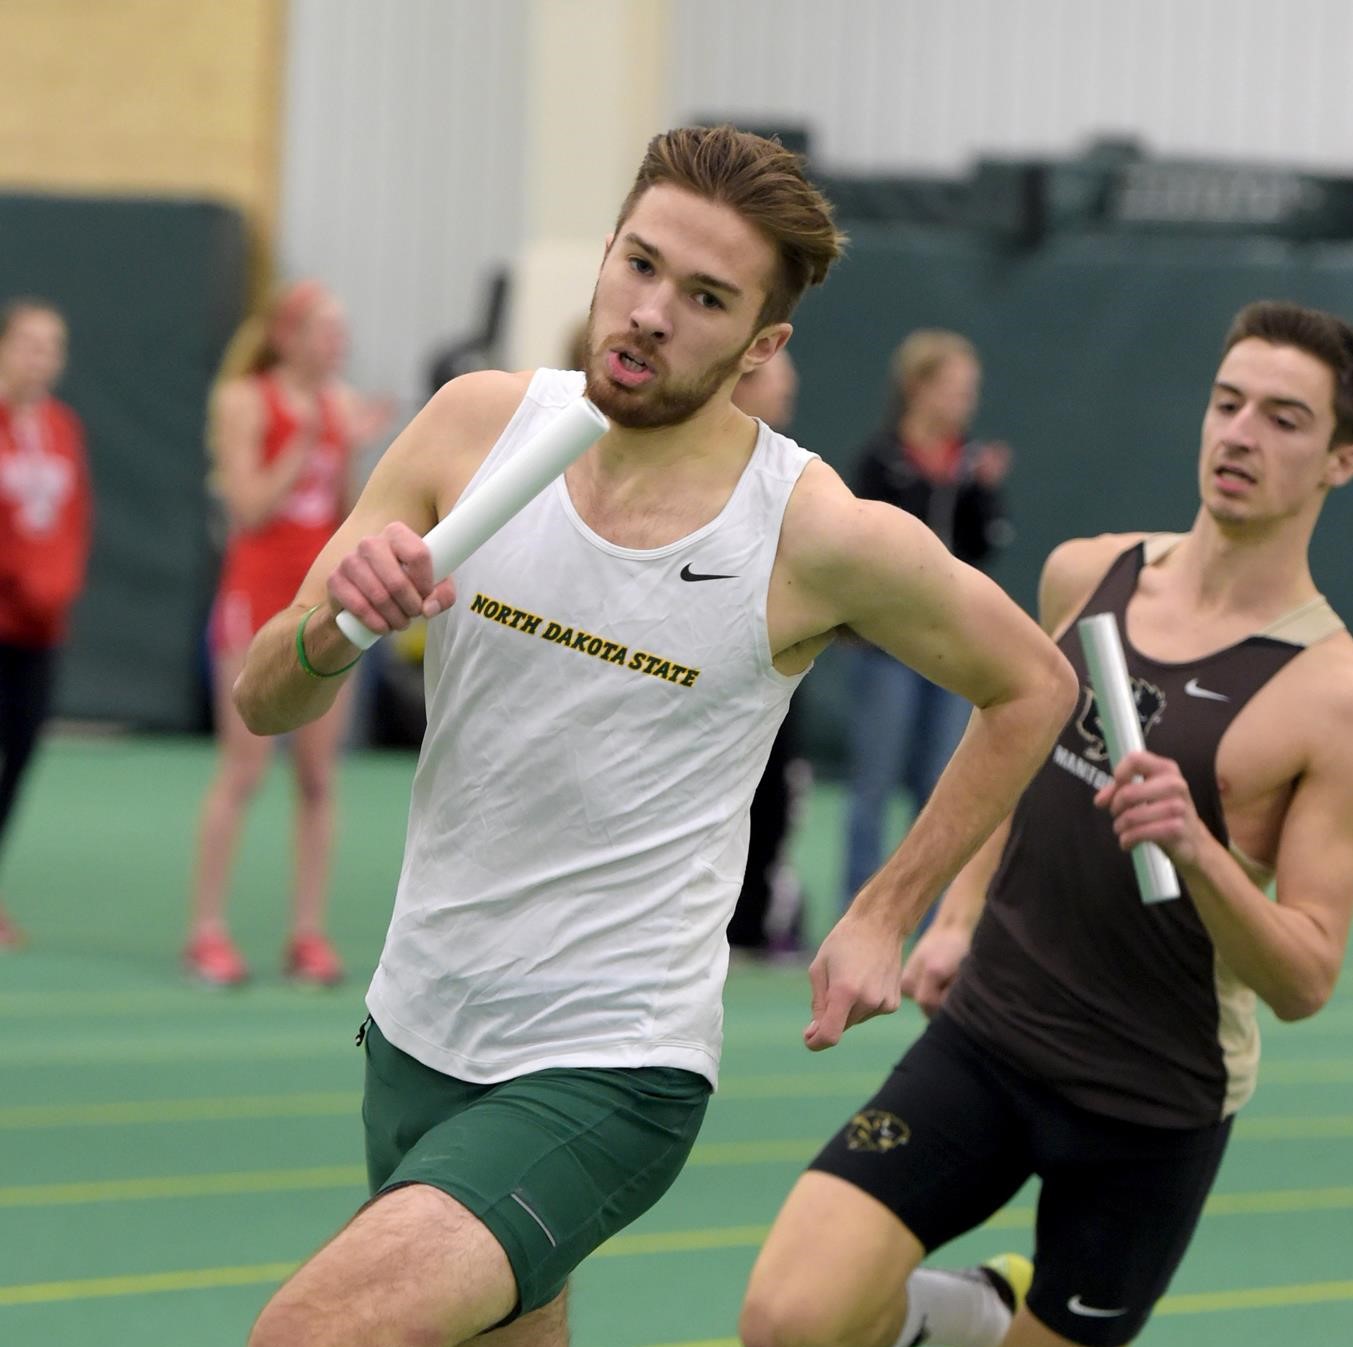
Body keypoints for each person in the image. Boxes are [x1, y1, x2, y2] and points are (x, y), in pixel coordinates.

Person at [232, 125, 1076, 1347]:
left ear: (761, 344)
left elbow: (1034, 686)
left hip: (610, 1062)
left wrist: (890, 909)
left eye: (705, 298)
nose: (649, 314)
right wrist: (331, 630)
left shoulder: (811, 531)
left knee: (311, 1335)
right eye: (637, 266)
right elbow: (267, 697)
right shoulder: (475, 429)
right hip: (417, 1028)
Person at [740, 299, 1353, 1347]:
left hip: (1152, 1100)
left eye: (1286, 419)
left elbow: (1304, 978)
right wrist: (952, 918)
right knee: (786, 1320)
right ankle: (973, 1314)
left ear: (1341, 459)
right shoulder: (1089, 574)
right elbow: (1010, 752)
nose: (1242, 434)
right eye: (1227, 403)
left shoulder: (1328, 691)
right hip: (990, 1036)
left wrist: (1199, 850)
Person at [184, 280, 390, 987]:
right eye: (326, 330)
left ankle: (307, 932)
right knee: (242, 771)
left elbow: (338, 516)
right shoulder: (248, 400)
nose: (339, 343)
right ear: (288, 336)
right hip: (254, 600)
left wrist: (349, 448)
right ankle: (207, 929)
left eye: (342, 330)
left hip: (321, 607)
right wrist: (302, 441)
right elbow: (248, 506)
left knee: (317, 776)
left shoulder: (338, 405)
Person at [842, 331, 1013, 912]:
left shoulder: (970, 465)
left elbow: (986, 545)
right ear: (919, 387)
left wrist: (982, 491)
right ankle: (856, 906)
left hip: (951, 651)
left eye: (973, 390)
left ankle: (929, 913)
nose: (967, 400)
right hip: (885, 649)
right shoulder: (880, 460)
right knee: (873, 784)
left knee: (940, 785)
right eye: (957, 387)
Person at [0, 299, 92, 950]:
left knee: (18, 759)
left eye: (51, 344)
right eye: (29, 342)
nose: (41, 356)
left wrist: (59, 589)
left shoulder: (63, 427)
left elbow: (75, 517)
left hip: (40, 633)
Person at [726, 347, 810, 956]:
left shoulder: (796, 479)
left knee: (777, 794)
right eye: (781, 375)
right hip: (727, 671)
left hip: (777, 665)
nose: (792, 385)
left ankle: (754, 917)